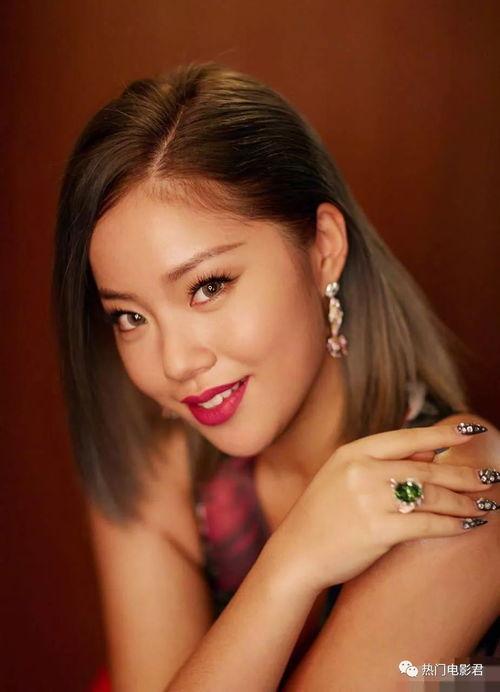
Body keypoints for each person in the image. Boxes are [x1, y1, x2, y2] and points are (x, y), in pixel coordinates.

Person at [52, 62, 500, 691]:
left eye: (208, 286)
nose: (175, 363)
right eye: (130, 316)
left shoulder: (452, 490)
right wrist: (292, 562)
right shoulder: (160, 465)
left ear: (323, 248)